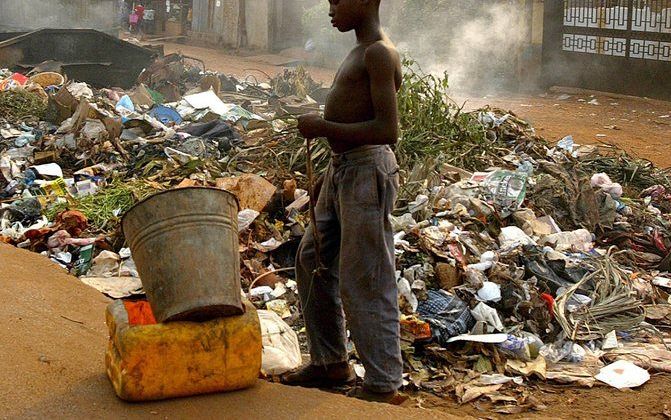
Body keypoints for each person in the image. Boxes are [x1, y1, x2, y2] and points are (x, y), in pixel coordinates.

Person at [282, 0, 404, 405]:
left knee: (366, 278)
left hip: (367, 170)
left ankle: (384, 384)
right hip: (344, 169)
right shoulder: (359, 51)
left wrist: (322, 126)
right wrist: (327, 179)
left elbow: (388, 129)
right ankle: (330, 362)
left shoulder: (378, 53)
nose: (330, 7)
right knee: (312, 258)